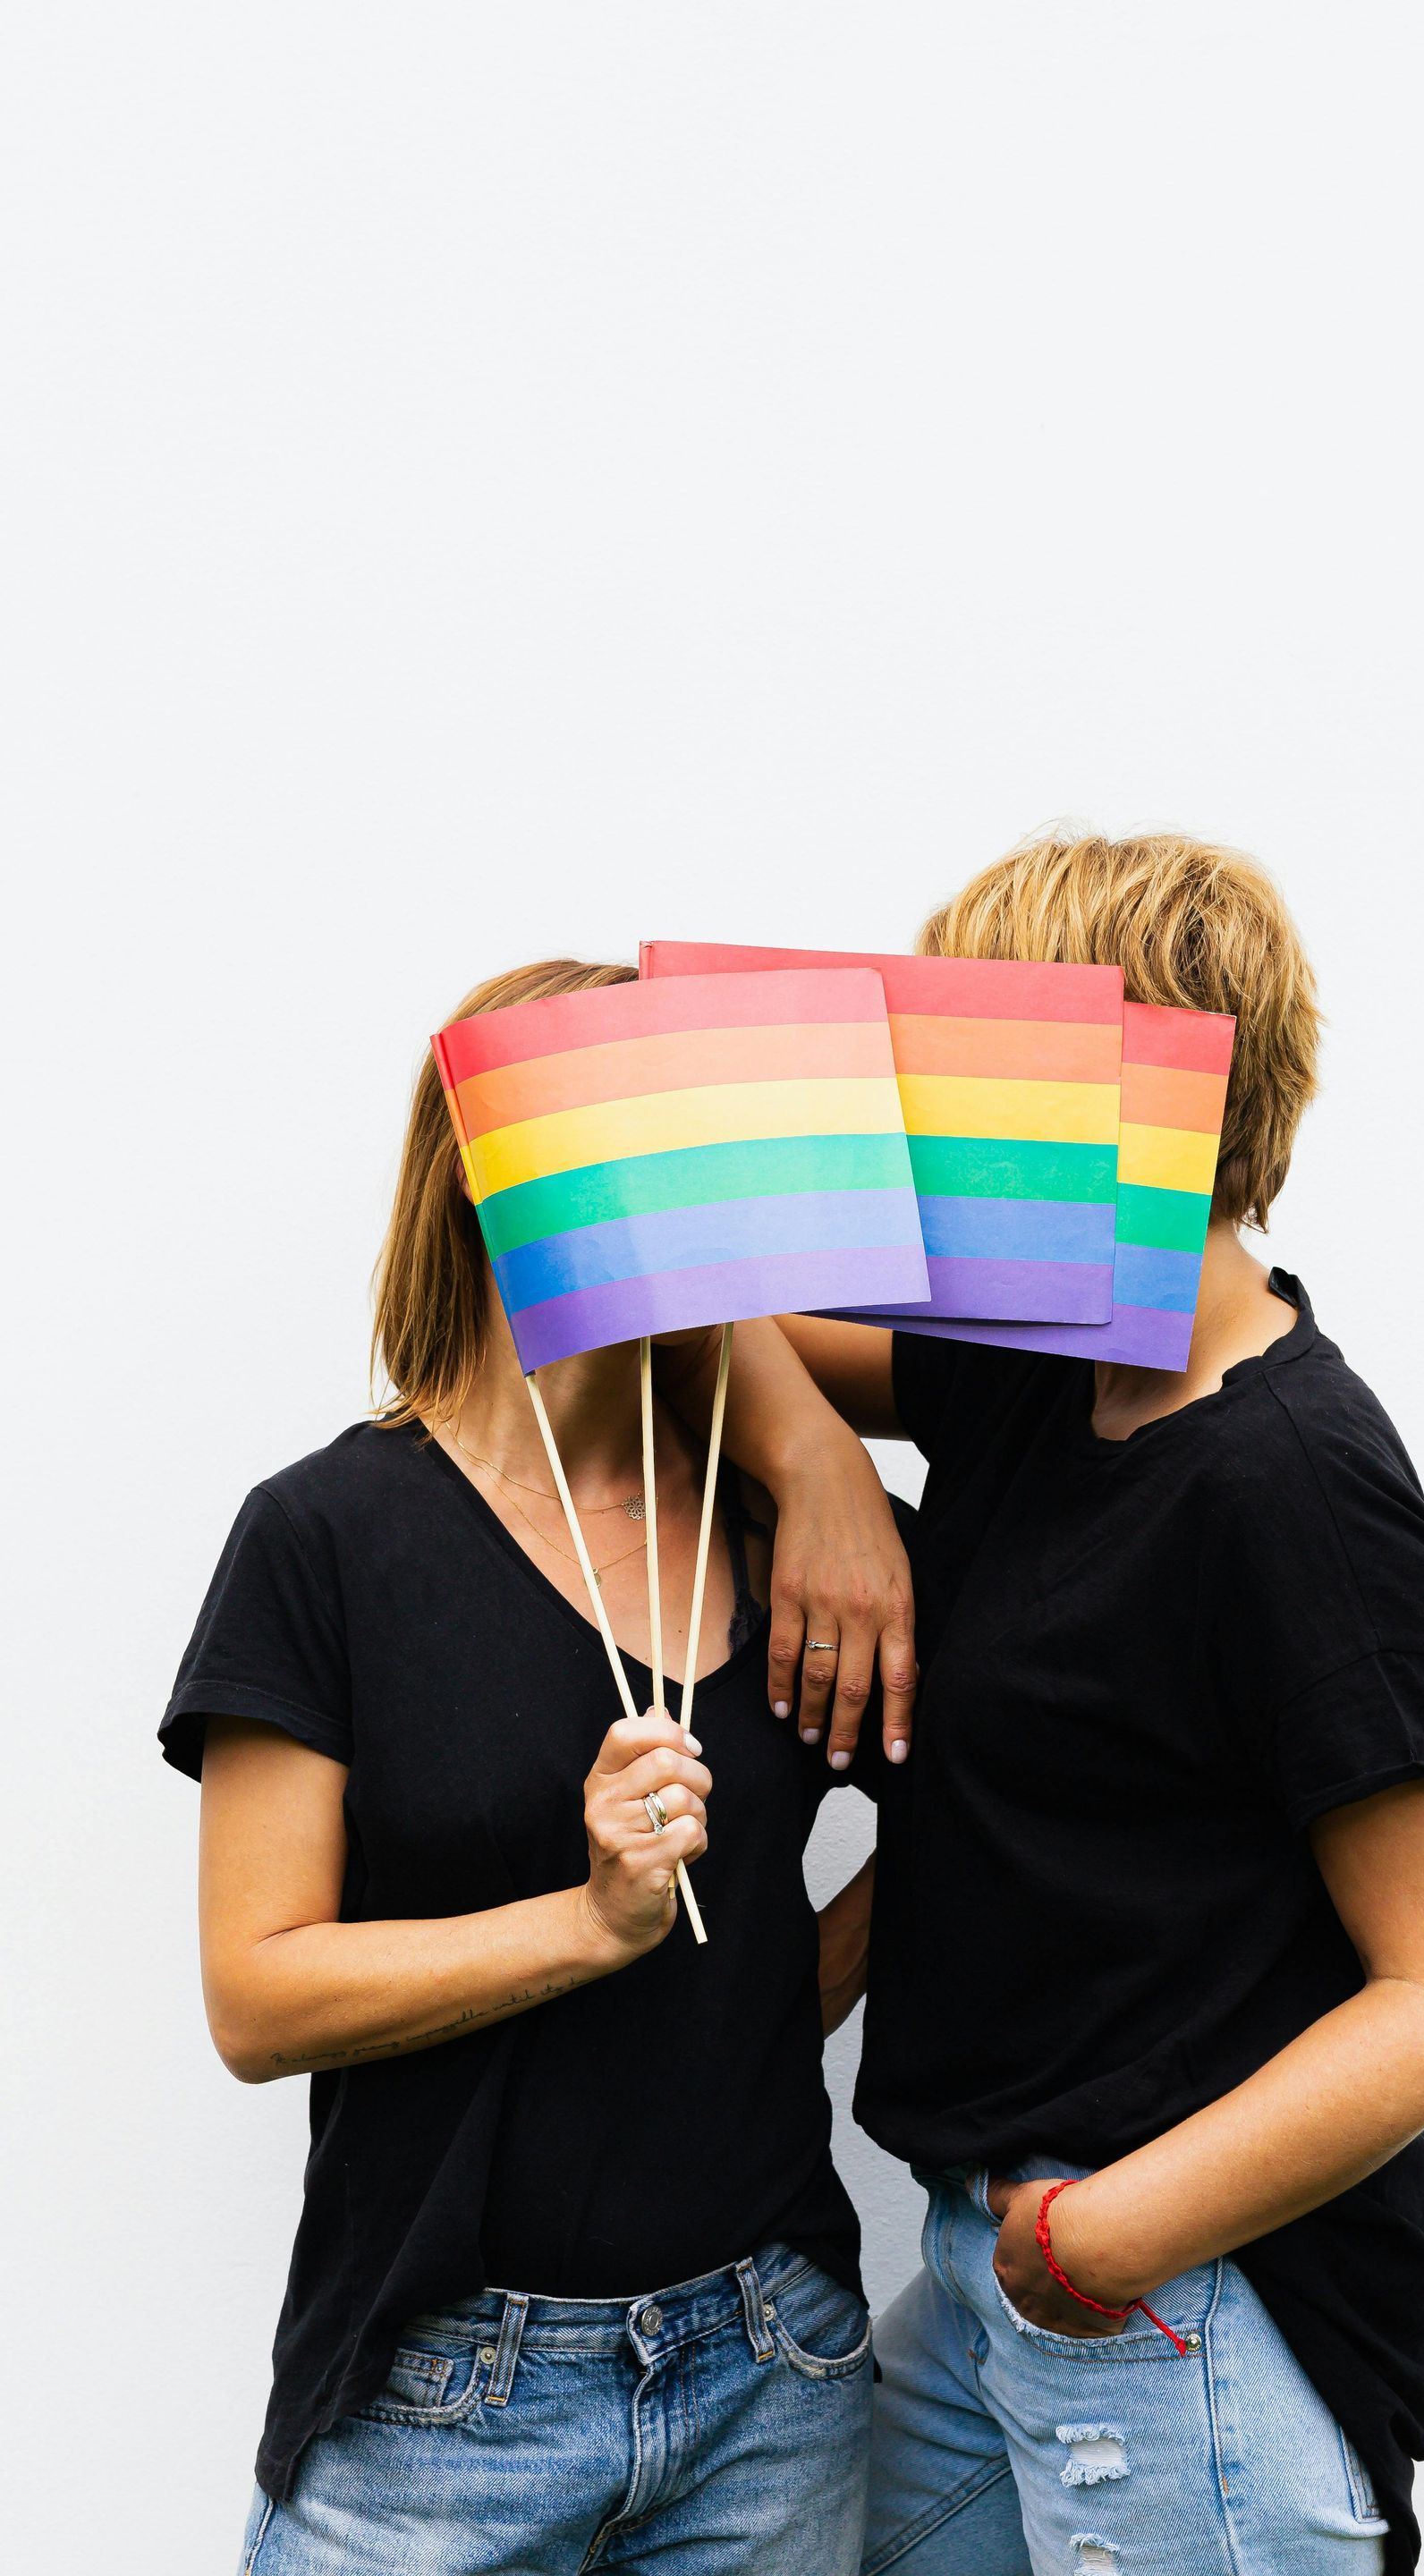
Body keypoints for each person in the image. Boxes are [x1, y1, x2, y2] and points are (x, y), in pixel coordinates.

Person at [768, 834, 1424, 2575]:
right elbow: (652, 1279)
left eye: (975, 1058)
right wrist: (816, 1458)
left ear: (1131, 1093)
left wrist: (1104, 2238)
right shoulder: (1035, 1371)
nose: (933, 1112)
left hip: (1184, 2308)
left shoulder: (1294, 1481)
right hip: (996, 2284)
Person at [162, 957, 919, 2576]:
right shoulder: (325, 1540)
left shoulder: (794, 1535)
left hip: (770, 2379)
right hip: (434, 2408)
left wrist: (831, 1461)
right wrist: (588, 1924)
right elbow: (256, 1998)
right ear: (489, 1173)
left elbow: (1002, 1797)